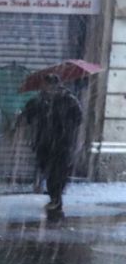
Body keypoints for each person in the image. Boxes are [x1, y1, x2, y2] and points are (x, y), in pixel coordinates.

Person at [18, 73, 84, 218]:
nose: (45, 88)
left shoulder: (69, 100)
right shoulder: (38, 101)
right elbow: (26, 117)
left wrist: (66, 129)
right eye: (44, 85)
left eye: (48, 85)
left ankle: (56, 198)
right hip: (44, 143)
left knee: (57, 172)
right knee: (47, 170)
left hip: (63, 143)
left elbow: (78, 119)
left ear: (56, 85)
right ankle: (55, 196)